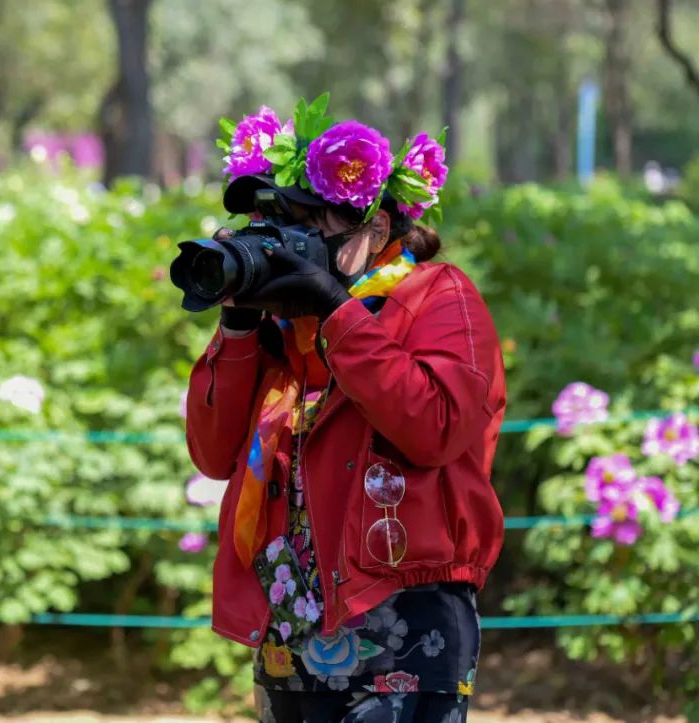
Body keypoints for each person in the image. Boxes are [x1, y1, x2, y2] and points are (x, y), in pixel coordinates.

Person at [183, 103, 506, 723]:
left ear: (374, 229)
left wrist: (336, 308)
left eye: (302, 224)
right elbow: (213, 454)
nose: (281, 246)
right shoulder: (283, 330)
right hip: (291, 626)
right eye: (268, 224)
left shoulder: (438, 296)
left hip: (404, 617)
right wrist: (239, 324)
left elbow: (434, 427)